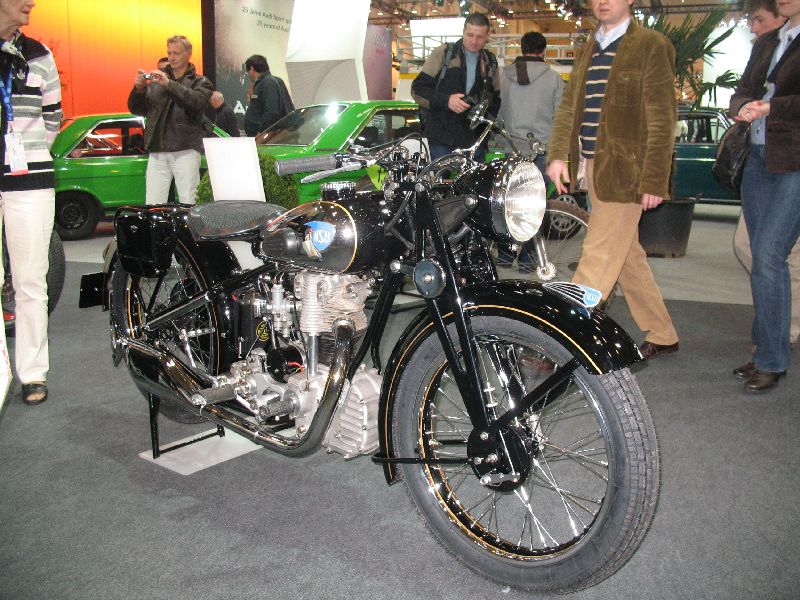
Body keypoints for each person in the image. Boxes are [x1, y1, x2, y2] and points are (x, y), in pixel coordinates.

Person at [546, 0, 679, 360]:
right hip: (592, 167)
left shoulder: (651, 45)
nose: (603, 1)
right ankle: (663, 333)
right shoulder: (589, 47)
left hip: (627, 173)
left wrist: (655, 178)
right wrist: (558, 155)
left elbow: (662, 117)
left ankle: (563, 340)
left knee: (598, 255)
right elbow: (569, 107)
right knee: (626, 256)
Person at [730, 0, 800, 392]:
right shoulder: (769, 41)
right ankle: (764, 351)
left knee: (770, 254)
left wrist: (771, 107)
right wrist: (743, 106)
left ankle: (773, 359)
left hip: (795, 161)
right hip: (757, 157)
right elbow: (742, 89)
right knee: (761, 256)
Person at [0, 0, 62, 404]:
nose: (31, 2)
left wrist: (29, 154)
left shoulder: (38, 54)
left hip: (29, 180)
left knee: (30, 280)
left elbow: (52, 117)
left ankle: (33, 372)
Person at [128, 35, 213, 205]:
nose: (172, 57)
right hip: (157, 149)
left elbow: (197, 103)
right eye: (169, 53)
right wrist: (139, 90)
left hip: (185, 148)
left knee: (189, 200)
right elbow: (138, 109)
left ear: (188, 54)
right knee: (153, 203)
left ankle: (189, 224)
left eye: (176, 53)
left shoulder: (200, 81)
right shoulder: (156, 83)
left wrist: (170, 85)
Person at [411, 13, 500, 161]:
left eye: (479, 37)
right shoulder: (444, 54)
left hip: (475, 145)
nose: (474, 41)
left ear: (487, 36)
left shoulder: (490, 62)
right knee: (438, 177)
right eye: (470, 35)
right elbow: (417, 89)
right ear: (463, 32)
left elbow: (496, 99)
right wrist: (447, 101)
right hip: (440, 142)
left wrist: (484, 120)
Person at [497, 31, 563, 173]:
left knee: (514, 186)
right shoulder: (554, 78)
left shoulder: (504, 77)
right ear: (544, 51)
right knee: (540, 186)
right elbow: (560, 117)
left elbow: (498, 113)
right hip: (542, 148)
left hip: (512, 148)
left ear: (522, 49)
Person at [243, 55, 293, 137]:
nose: (248, 75)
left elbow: (272, 112)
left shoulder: (268, 83)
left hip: (265, 137)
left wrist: (262, 133)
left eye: (247, 72)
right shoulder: (265, 82)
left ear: (252, 69)